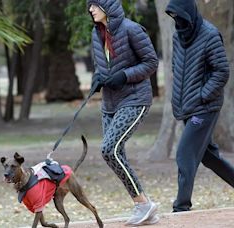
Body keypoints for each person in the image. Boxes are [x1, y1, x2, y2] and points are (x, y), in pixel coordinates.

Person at [86, 0, 159, 226]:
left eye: (95, 5)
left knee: (110, 149)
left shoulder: (132, 29)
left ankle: (143, 204)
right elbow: (101, 66)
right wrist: (98, 79)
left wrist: (124, 76)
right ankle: (146, 210)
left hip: (135, 99)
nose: (90, 9)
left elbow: (151, 62)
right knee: (114, 155)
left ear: (107, 6)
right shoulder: (96, 32)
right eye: (89, 6)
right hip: (109, 104)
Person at [165, 0, 234, 212]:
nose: (177, 21)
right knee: (208, 157)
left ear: (189, 14)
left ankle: (181, 206)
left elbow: (221, 71)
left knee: (185, 153)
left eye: (180, 16)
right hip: (187, 107)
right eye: (174, 17)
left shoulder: (210, 34)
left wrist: (202, 96)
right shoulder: (177, 37)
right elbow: (177, 68)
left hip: (205, 107)